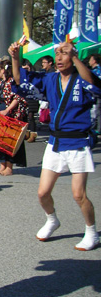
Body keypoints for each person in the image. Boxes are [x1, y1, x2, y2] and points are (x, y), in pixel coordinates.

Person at [11, 40, 101, 251]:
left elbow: (96, 86)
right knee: (42, 193)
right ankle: (52, 219)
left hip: (78, 141)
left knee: (78, 194)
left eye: (64, 54)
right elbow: (21, 82)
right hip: (55, 141)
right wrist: (16, 57)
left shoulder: (82, 79)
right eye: (57, 54)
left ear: (73, 57)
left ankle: (91, 231)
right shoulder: (50, 79)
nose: (59, 58)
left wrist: (77, 57)